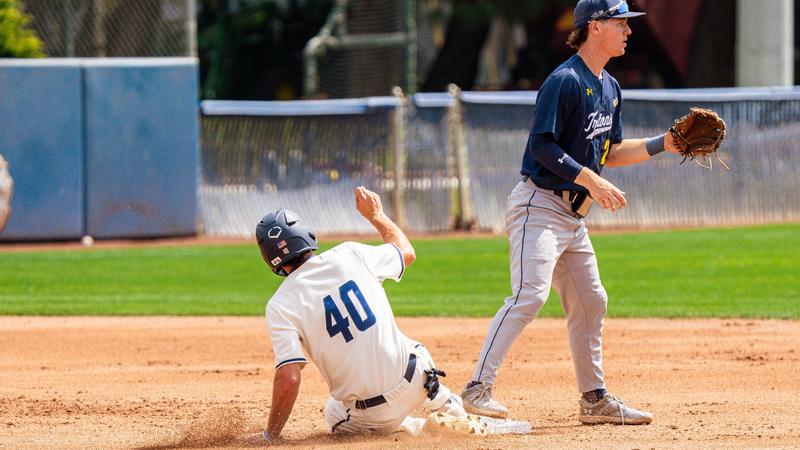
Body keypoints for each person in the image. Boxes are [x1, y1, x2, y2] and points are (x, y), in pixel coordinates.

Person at [460, 0, 679, 425]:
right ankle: (477, 389)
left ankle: (594, 401)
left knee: (592, 301)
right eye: (620, 23)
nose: (628, 31)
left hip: (573, 219)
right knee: (530, 295)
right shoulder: (563, 81)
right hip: (538, 206)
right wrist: (591, 181)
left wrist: (662, 144)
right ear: (594, 27)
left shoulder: (610, 87)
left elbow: (610, 152)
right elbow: (542, 147)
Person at [249, 186, 486, 444]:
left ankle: (414, 430)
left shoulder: (281, 304)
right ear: (306, 235)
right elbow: (406, 252)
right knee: (411, 348)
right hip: (418, 379)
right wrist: (376, 215)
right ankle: (443, 402)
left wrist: (270, 434)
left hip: (374, 413)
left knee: (334, 412)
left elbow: (290, 379)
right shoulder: (349, 253)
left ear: (270, 259)